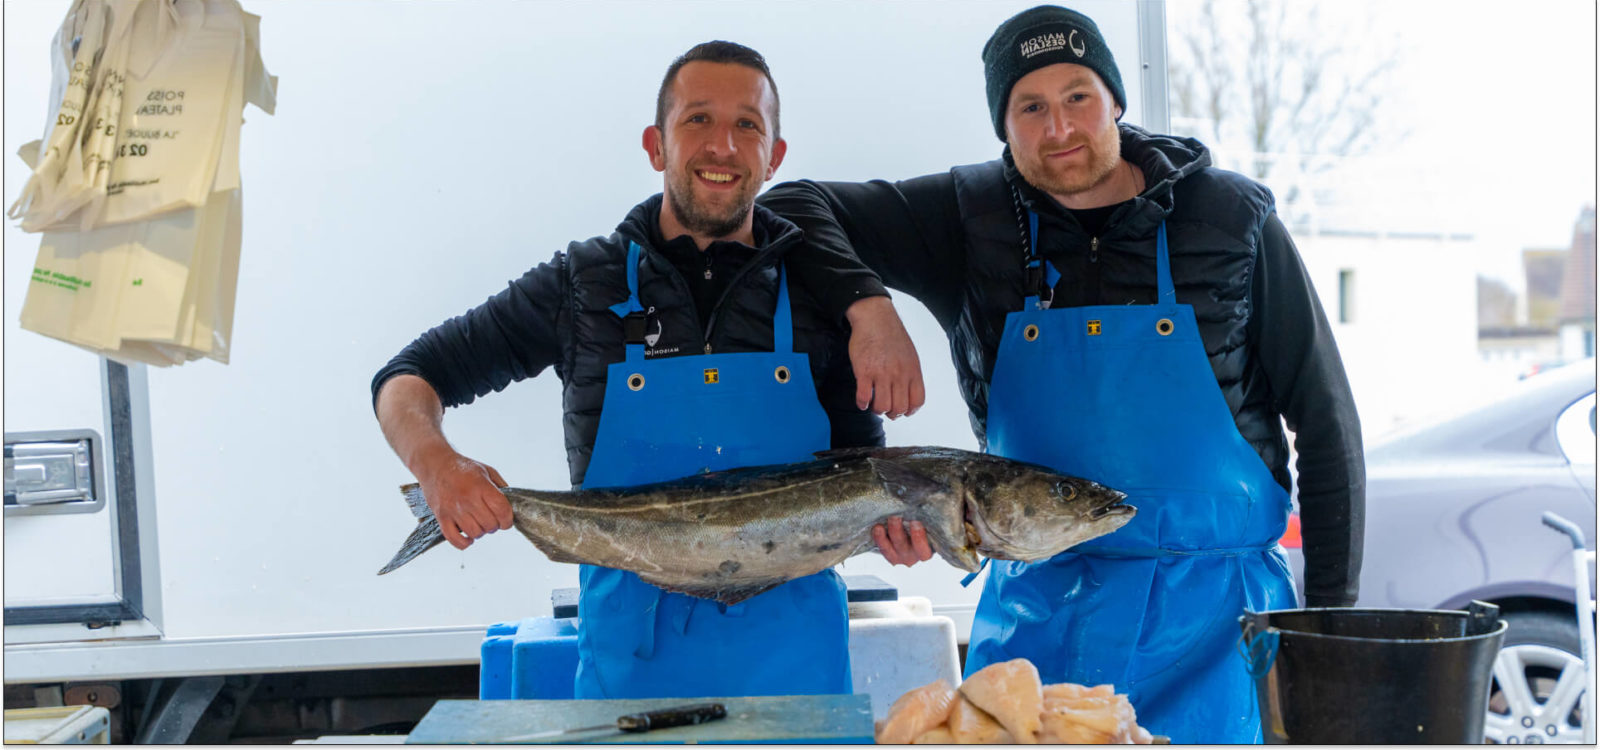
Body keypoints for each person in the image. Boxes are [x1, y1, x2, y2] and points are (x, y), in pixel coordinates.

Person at [759, 5, 1364, 742]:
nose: (1059, 128)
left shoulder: (1229, 218)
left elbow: (1327, 424)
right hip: (1036, 645)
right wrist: (869, 308)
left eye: (1079, 96)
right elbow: (792, 205)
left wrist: (1331, 628)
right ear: (1004, 127)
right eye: (1030, 107)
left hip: (1219, 637)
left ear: (1116, 99)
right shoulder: (968, 218)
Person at [370, 41, 926, 700]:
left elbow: (862, 473)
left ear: (774, 156)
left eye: (747, 125)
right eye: (697, 119)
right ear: (655, 145)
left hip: (797, 677)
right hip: (631, 679)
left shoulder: (825, 296)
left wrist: (898, 529)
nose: (722, 145)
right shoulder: (583, 285)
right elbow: (410, 374)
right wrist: (439, 466)